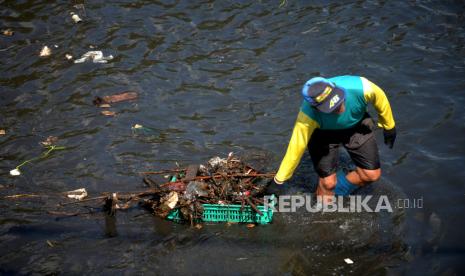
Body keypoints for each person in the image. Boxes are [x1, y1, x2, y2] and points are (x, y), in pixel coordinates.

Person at [267, 75, 396, 199]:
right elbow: (295, 148)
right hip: (323, 134)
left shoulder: (361, 87)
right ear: (315, 107)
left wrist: (389, 125)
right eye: (331, 106)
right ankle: (324, 204)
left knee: (371, 175)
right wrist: (279, 180)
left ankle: (339, 190)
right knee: (328, 183)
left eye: (338, 99)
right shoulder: (307, 117)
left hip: (356, 125)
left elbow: (380, 97)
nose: (339, 107)